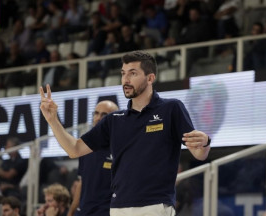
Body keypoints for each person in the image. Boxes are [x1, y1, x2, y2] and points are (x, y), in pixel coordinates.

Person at [40, 50, 211, 215]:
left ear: (150, 78)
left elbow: (199, 153)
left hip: (155, 206)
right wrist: (53, 120)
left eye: (133, 73)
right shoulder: (114, 120)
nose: (125, 80)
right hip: (119, 208)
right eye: (123, 73)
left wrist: (205, 142)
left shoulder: (171, 108)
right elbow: (74, 149)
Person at [68, 100, 119, 216]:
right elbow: (82, 182)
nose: (98, 118)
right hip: (84, 212)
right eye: (96, 113)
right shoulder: (84, 146)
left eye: (104, 115)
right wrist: (71, 211)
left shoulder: (120, 148)